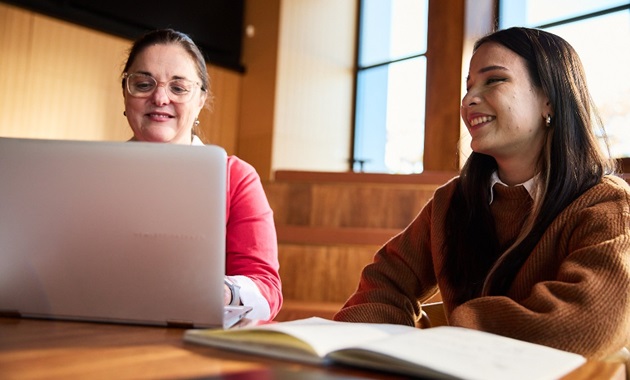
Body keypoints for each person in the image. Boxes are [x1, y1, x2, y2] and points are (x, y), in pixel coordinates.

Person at [334, 27, 630, 361]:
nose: (469, 99)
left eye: (494, 80)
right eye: (469, 86)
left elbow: (584, 324)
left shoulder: (608, 204)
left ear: (549, 97)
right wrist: (382, 355)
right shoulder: (451, 202)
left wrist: (453, 330)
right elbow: (381, 287)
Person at [120, 29, 282, 321]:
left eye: (178, 88)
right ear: (125, 94)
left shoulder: (235, 177)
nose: (159, 97)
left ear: (200, 100)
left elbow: (267, 289)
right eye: (143, 84)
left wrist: (225, 291)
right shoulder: (90, 177)